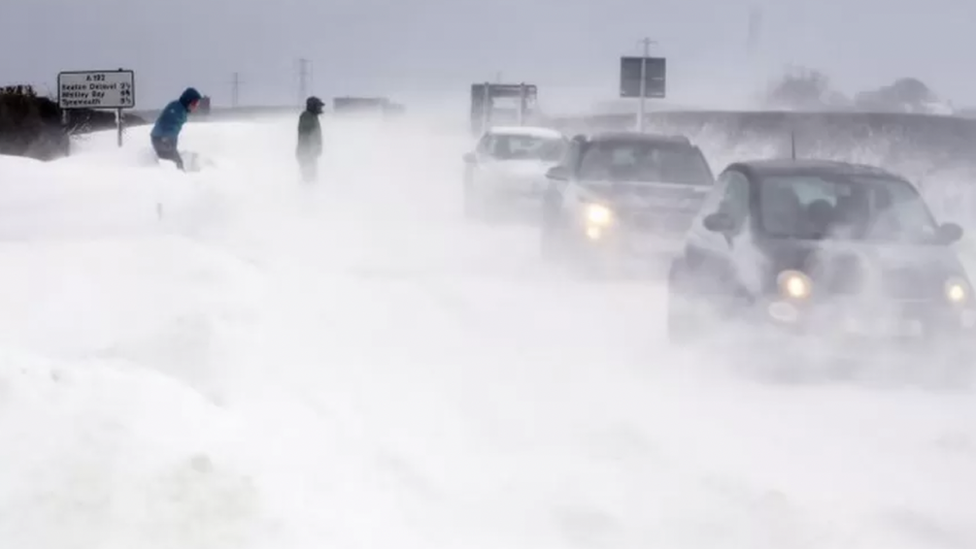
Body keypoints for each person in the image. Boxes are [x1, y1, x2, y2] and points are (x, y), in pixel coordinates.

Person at [151, 87, 203, 171]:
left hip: (163, 139)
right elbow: (166, 122)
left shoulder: (180, 108)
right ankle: (177, 178)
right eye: (194, 103)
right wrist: (166, 140)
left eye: (197, 103)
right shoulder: (176, 109)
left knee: (175, 162)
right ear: (188, 101)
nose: (196, 106)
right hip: (161, 139)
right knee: (176, 164)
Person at [296, 96, 325, 182]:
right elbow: (306, 136)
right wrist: (311, 150)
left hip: (309, 153)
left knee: (311, 177)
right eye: (318, 106)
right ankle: (305, 189)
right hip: (306, 153)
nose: (320, 108)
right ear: (313, 106)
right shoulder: (307, 116)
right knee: (308, 178)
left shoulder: (312, 116)